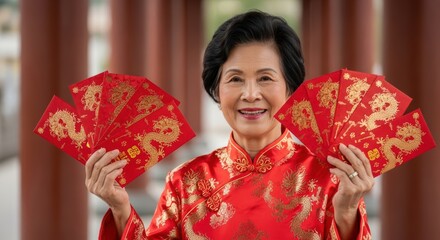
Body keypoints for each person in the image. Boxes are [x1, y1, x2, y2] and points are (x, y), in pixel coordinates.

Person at [85, 10, 374, 239]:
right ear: (216, 90)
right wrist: (120, 208)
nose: (250, 94)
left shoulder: (331, 181)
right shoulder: (184, 183)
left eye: (265, 78)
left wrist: (347, 212)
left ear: (291, 89)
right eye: (235, 79)